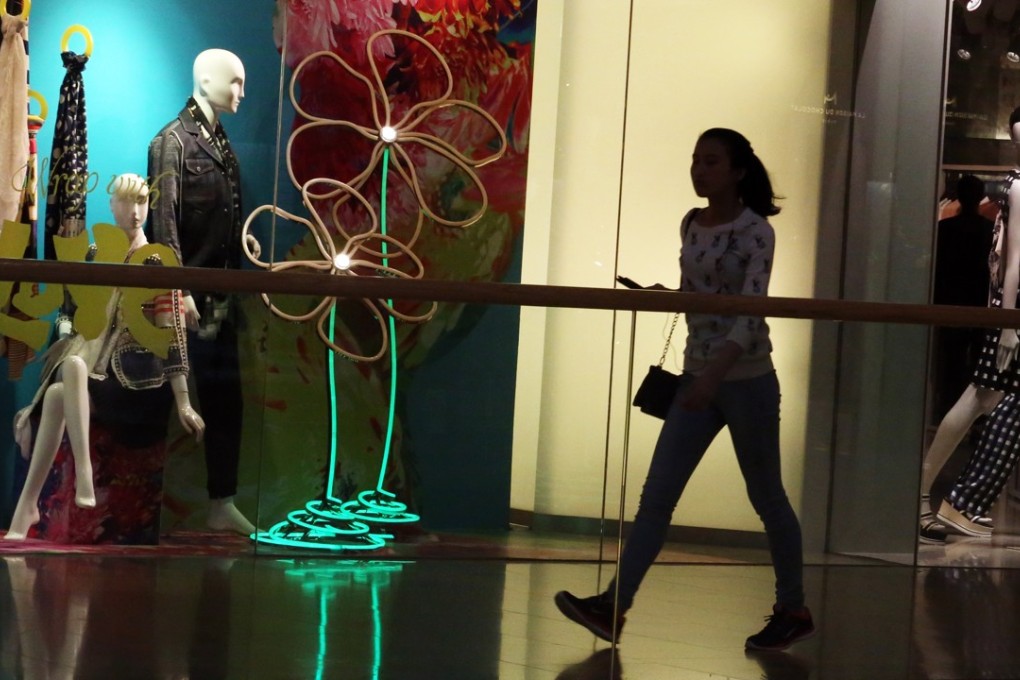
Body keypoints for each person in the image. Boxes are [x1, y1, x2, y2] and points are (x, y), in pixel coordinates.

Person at [554, 128, 813, 652]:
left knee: (767, 497)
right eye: (695, 160)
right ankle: (614, 606)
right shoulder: (692, 223)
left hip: (744, 380)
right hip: (698, 377)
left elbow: (750, 307)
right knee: (656, 500)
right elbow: (705, 295)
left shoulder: (755, 230)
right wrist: (664, 297)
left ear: (738, 171)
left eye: (711, 162)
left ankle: (793, 607)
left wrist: (714, 375)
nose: (699, 170)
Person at [4, 174, 204, 541]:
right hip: (93, 375)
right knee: (56, 392)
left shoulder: (157, 261)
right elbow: (69, 311)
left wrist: (184, 400)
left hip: (136, 380)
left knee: (73, 370)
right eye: (127, 202)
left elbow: (172, 334)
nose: (136, 212)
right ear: (112, 207)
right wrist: (65, 334)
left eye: (142, 202)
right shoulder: (96, 255)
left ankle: (82, 476)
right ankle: (27, 508)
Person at [147, 48, 255, 535]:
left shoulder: (221, 142)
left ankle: (221, 502)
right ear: (206, 79)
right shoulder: (172, 142)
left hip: (221, 296)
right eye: (234, 82)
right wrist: (179, 288)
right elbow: (163, 222)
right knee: (164, 397)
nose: (241, 92)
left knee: (225, 400)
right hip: (187, 299)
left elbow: (222, 210)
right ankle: (143, 503)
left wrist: (241, 242)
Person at [918, 109, 1020, 544]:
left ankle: (947, 501)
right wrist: (1009, 322)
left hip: (1006, 309)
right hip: (1012, 312)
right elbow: (1016, 261)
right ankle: (941, 500)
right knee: (980, 401)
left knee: (980, 400)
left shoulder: (1015, 186)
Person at [930, 175, 994, 419]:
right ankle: (974, 417)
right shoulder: (989, 230)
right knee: (978, 362)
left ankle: (947, 411)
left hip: (951, 302)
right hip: (979, 305)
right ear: (980, 197)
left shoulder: (944, 230)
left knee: (951, 362)